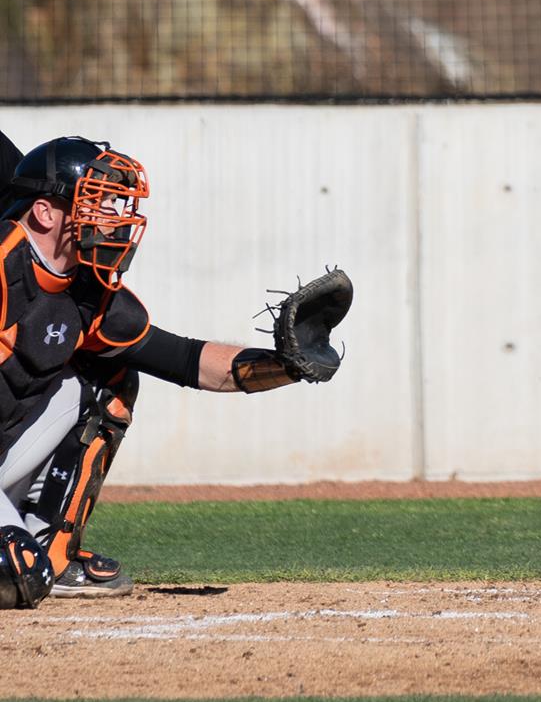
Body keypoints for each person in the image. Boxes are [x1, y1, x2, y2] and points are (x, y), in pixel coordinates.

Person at [0, 133, 343, 606]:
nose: (112, 220)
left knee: (111, 379)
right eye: (94, 202)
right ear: (44, 212)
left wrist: (286, 365)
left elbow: (184, 359)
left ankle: (51, 552)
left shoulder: (85, 289)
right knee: (10, 576)